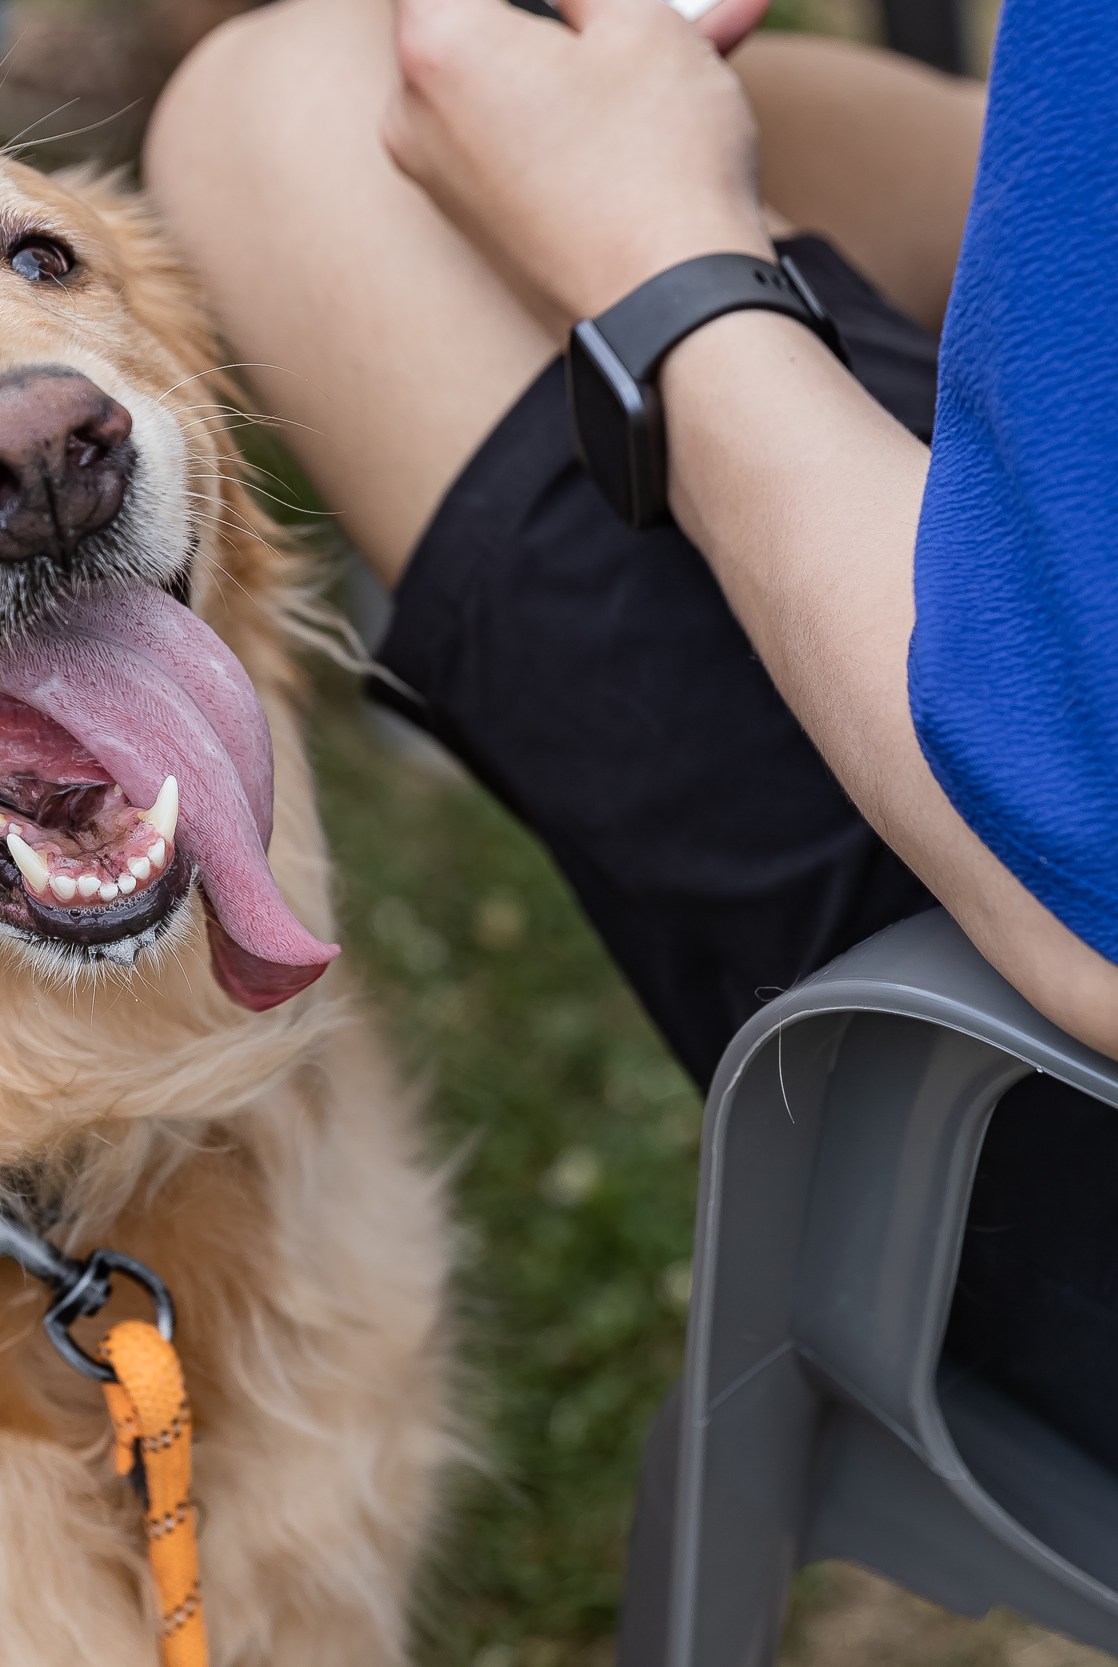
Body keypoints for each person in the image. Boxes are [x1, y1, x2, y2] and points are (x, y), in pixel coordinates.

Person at [144, 0, 1118, 1472]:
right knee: (779, 122)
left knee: (291, 125)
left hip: (1061, 982)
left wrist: (657, 263)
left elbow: (1089, 876)